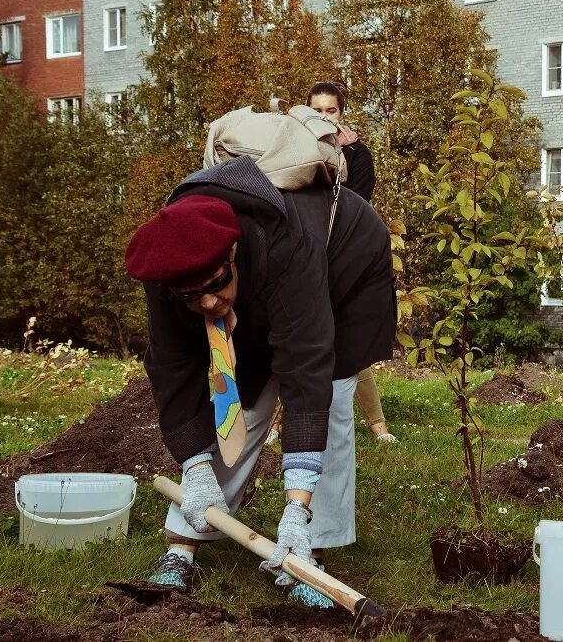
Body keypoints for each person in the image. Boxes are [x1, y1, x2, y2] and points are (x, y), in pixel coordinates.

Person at [125, 148, 396, 607]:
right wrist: (195, 468)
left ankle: (309, 555)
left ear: (232, 252)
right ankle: (182, 546)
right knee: (239, 398)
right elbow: (172, 372)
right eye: (192, 296)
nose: (208, 303)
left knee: (327, 396)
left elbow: (305, 371)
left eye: (215, 285)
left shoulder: (286, 246)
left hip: (345, 266)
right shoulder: (166, 263)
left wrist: (296, 504)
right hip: (262, 277)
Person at [305, 80, 396, 444]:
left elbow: (354, 206)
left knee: (347, 341)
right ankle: (280, 423)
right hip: (306, 254)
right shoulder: (294, 151)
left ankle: (378, 424)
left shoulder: (358, 155)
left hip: (343, 257)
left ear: (342, 114)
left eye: (331, 110)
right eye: (317, 110)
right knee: (299, 339)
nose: (324, 117)